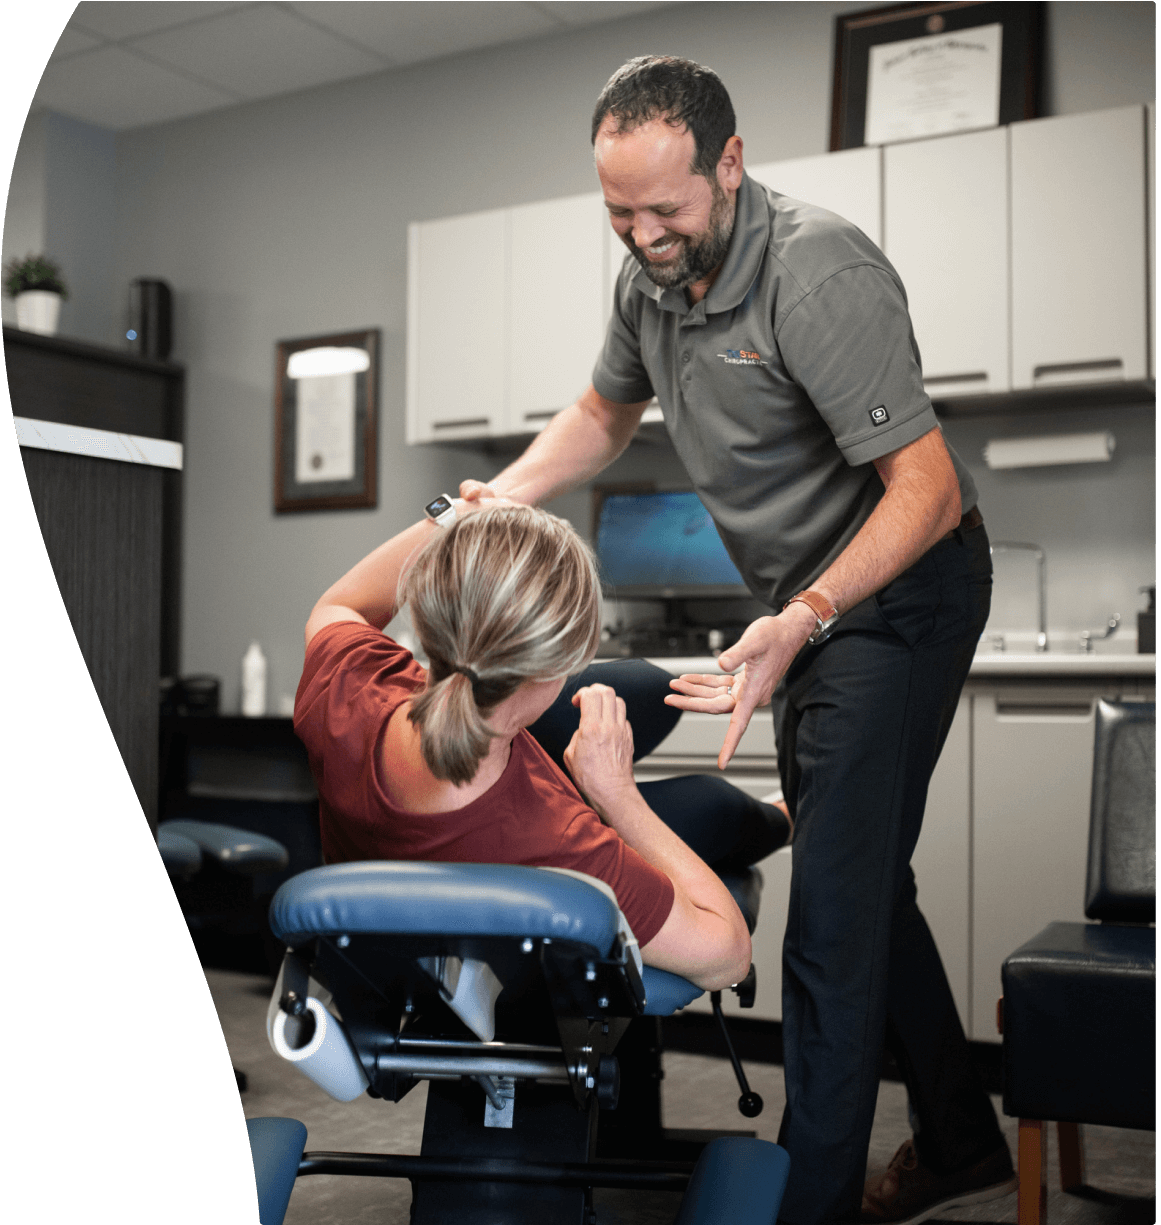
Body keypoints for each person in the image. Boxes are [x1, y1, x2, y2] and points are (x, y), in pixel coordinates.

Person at [456, 56, 1010, 1225]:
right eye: (620, 212)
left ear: (732, 164)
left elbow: (927, 486)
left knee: (831, 916)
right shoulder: (646, 281)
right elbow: (605, 414)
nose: (645, 236)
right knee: (867, 883)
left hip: (897, 594)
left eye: (667, 209)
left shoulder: (818, 273)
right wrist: (500, 497)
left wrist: (806, 616)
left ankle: (802, 1208)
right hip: (803, 614)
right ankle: (962, 1139)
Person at [293, 497, 790, 992]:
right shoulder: (560, 843)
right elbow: (726, 958)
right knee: (713, 806)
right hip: (502, 866)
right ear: (557, 667)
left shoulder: (352, 685)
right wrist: (616, 795)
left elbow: (340, 604)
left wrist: (453, 518)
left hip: (393, 897)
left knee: (642, 686)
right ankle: (790, 818)